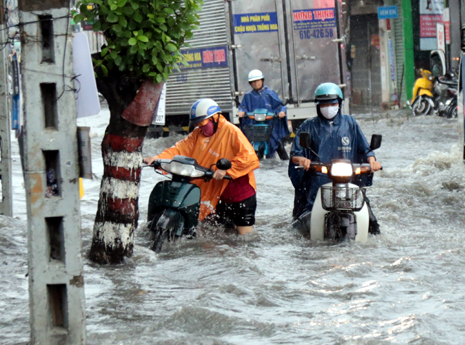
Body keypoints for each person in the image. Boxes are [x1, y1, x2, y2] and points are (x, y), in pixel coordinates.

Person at [144, 99, 260, 235]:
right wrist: (157, 158)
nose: (201, 127)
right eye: (198, 124)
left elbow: (249, 157)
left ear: (215, 118)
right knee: (219, 234)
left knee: (244, 238)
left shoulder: (231, 131)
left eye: (203, 123)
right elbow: (179, 149)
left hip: (240, 194)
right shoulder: (197, 133)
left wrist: (227, 169)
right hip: (218, 194)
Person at [288, 82, 382, 234]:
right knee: (299, 228)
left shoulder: (350, 123)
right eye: (324, 104)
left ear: (339, 104)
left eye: (332, 103)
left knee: (371, 221)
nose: (329, 107)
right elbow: (295, 154)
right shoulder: (308, 126)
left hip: (348, 182)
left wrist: (372, 161)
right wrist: (302, 160)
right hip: (318, 182)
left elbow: (365, 148)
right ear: (318, 106)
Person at [238, 69, 289, 160]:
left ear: (262, 80)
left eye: (257, 81)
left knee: (278, 144)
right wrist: (241, 112)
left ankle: (286, 163)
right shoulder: (248, 96)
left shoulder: (270, 93)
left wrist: (281, 112)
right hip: (254, 126)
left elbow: (279, 106)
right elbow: (243, 107)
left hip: (270, 126)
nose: (256, 83)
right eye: (253, 82)